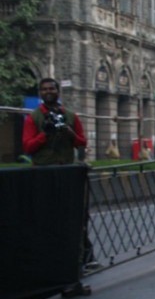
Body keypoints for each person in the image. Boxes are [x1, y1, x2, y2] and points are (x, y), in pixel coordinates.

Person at [22, 78, 98, 270]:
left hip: (67, 173)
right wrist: (44, 134)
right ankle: (46, 259)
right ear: (40, 93)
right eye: (44, 89)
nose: (48, 92)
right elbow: (28, 147)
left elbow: (82, 143)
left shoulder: (71, 116)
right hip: (43, 173)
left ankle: (84, 256)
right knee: (44, 217)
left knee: (75, 216)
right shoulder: (34, 118)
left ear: (58, 91)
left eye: (52, 88)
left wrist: (70, 133)